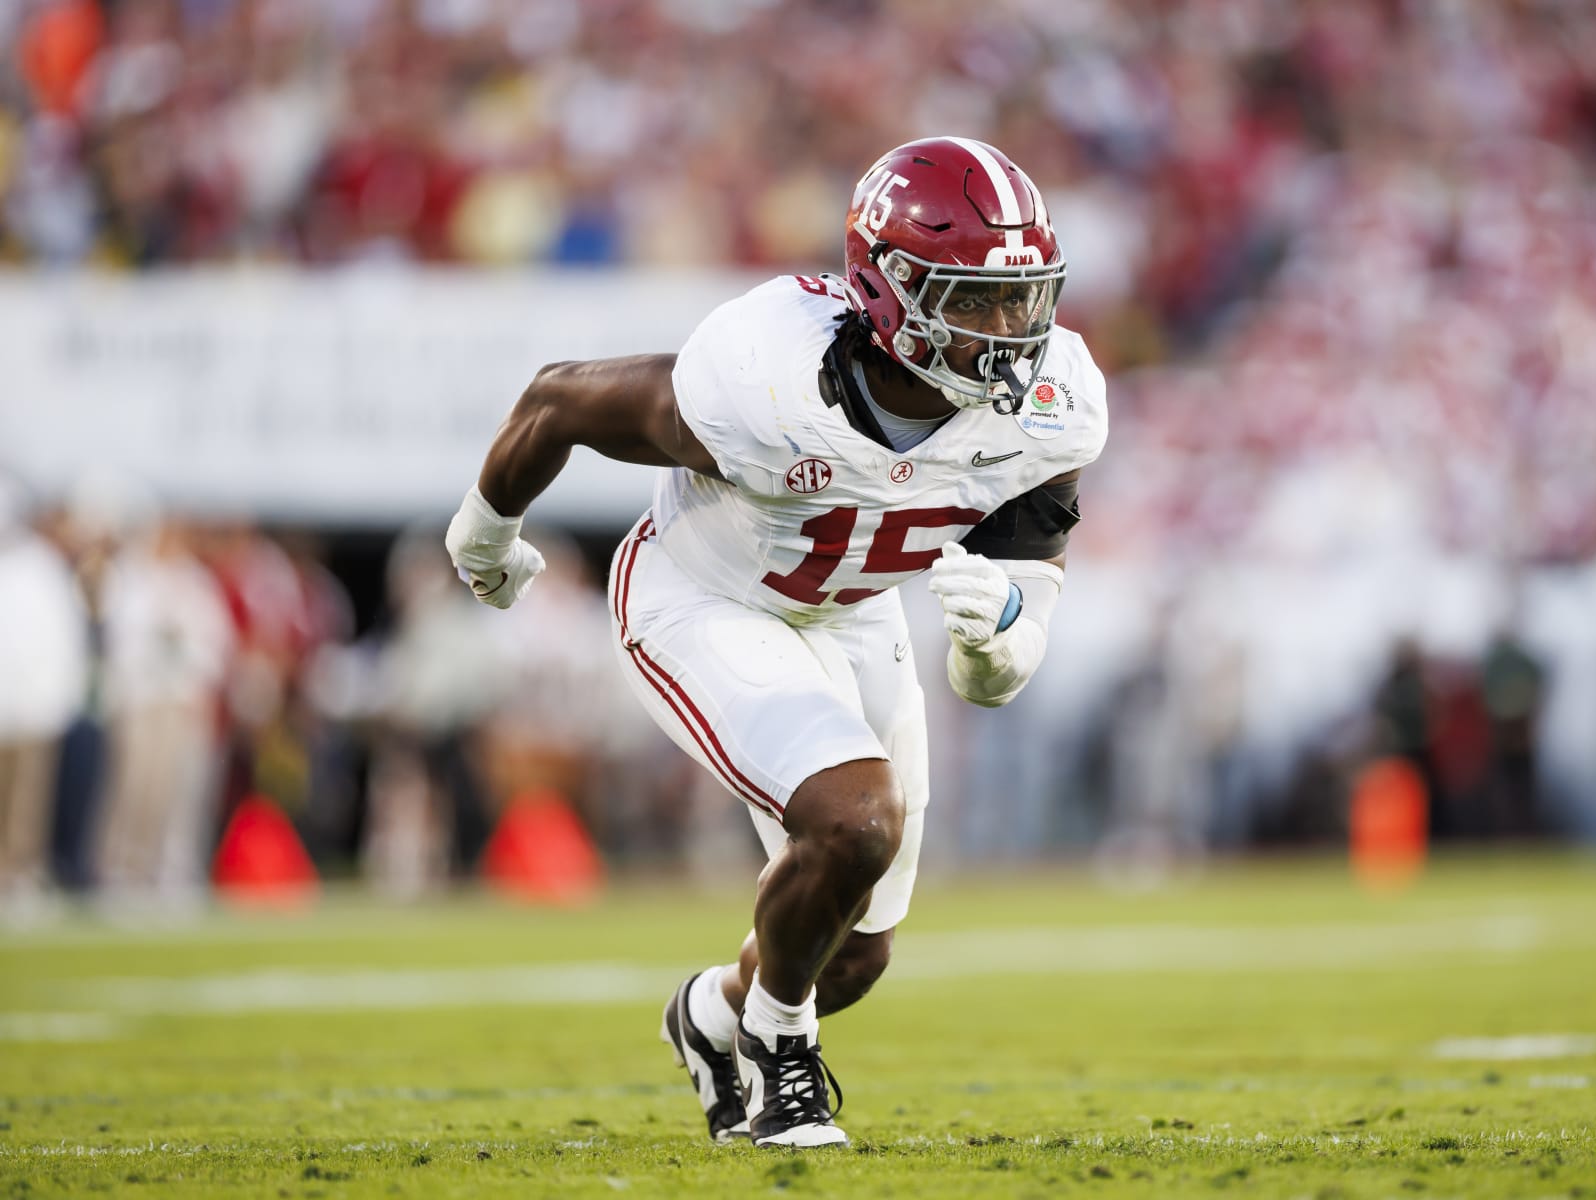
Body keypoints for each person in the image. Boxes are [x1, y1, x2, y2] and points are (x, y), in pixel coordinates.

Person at [445, 136, 1107, 1148]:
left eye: (1022, 298)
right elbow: (559, 398)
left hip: (854, 612)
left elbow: (1008, 646)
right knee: (856, 822)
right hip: (706, 599)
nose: (1008, 332)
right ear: (885, 289)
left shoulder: (1052, 406)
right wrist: (486, 534)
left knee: (852, 956)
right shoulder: (769, 378)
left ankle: (714, 1018)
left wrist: (997, 638)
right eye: (970, 300)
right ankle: (779, 1067)